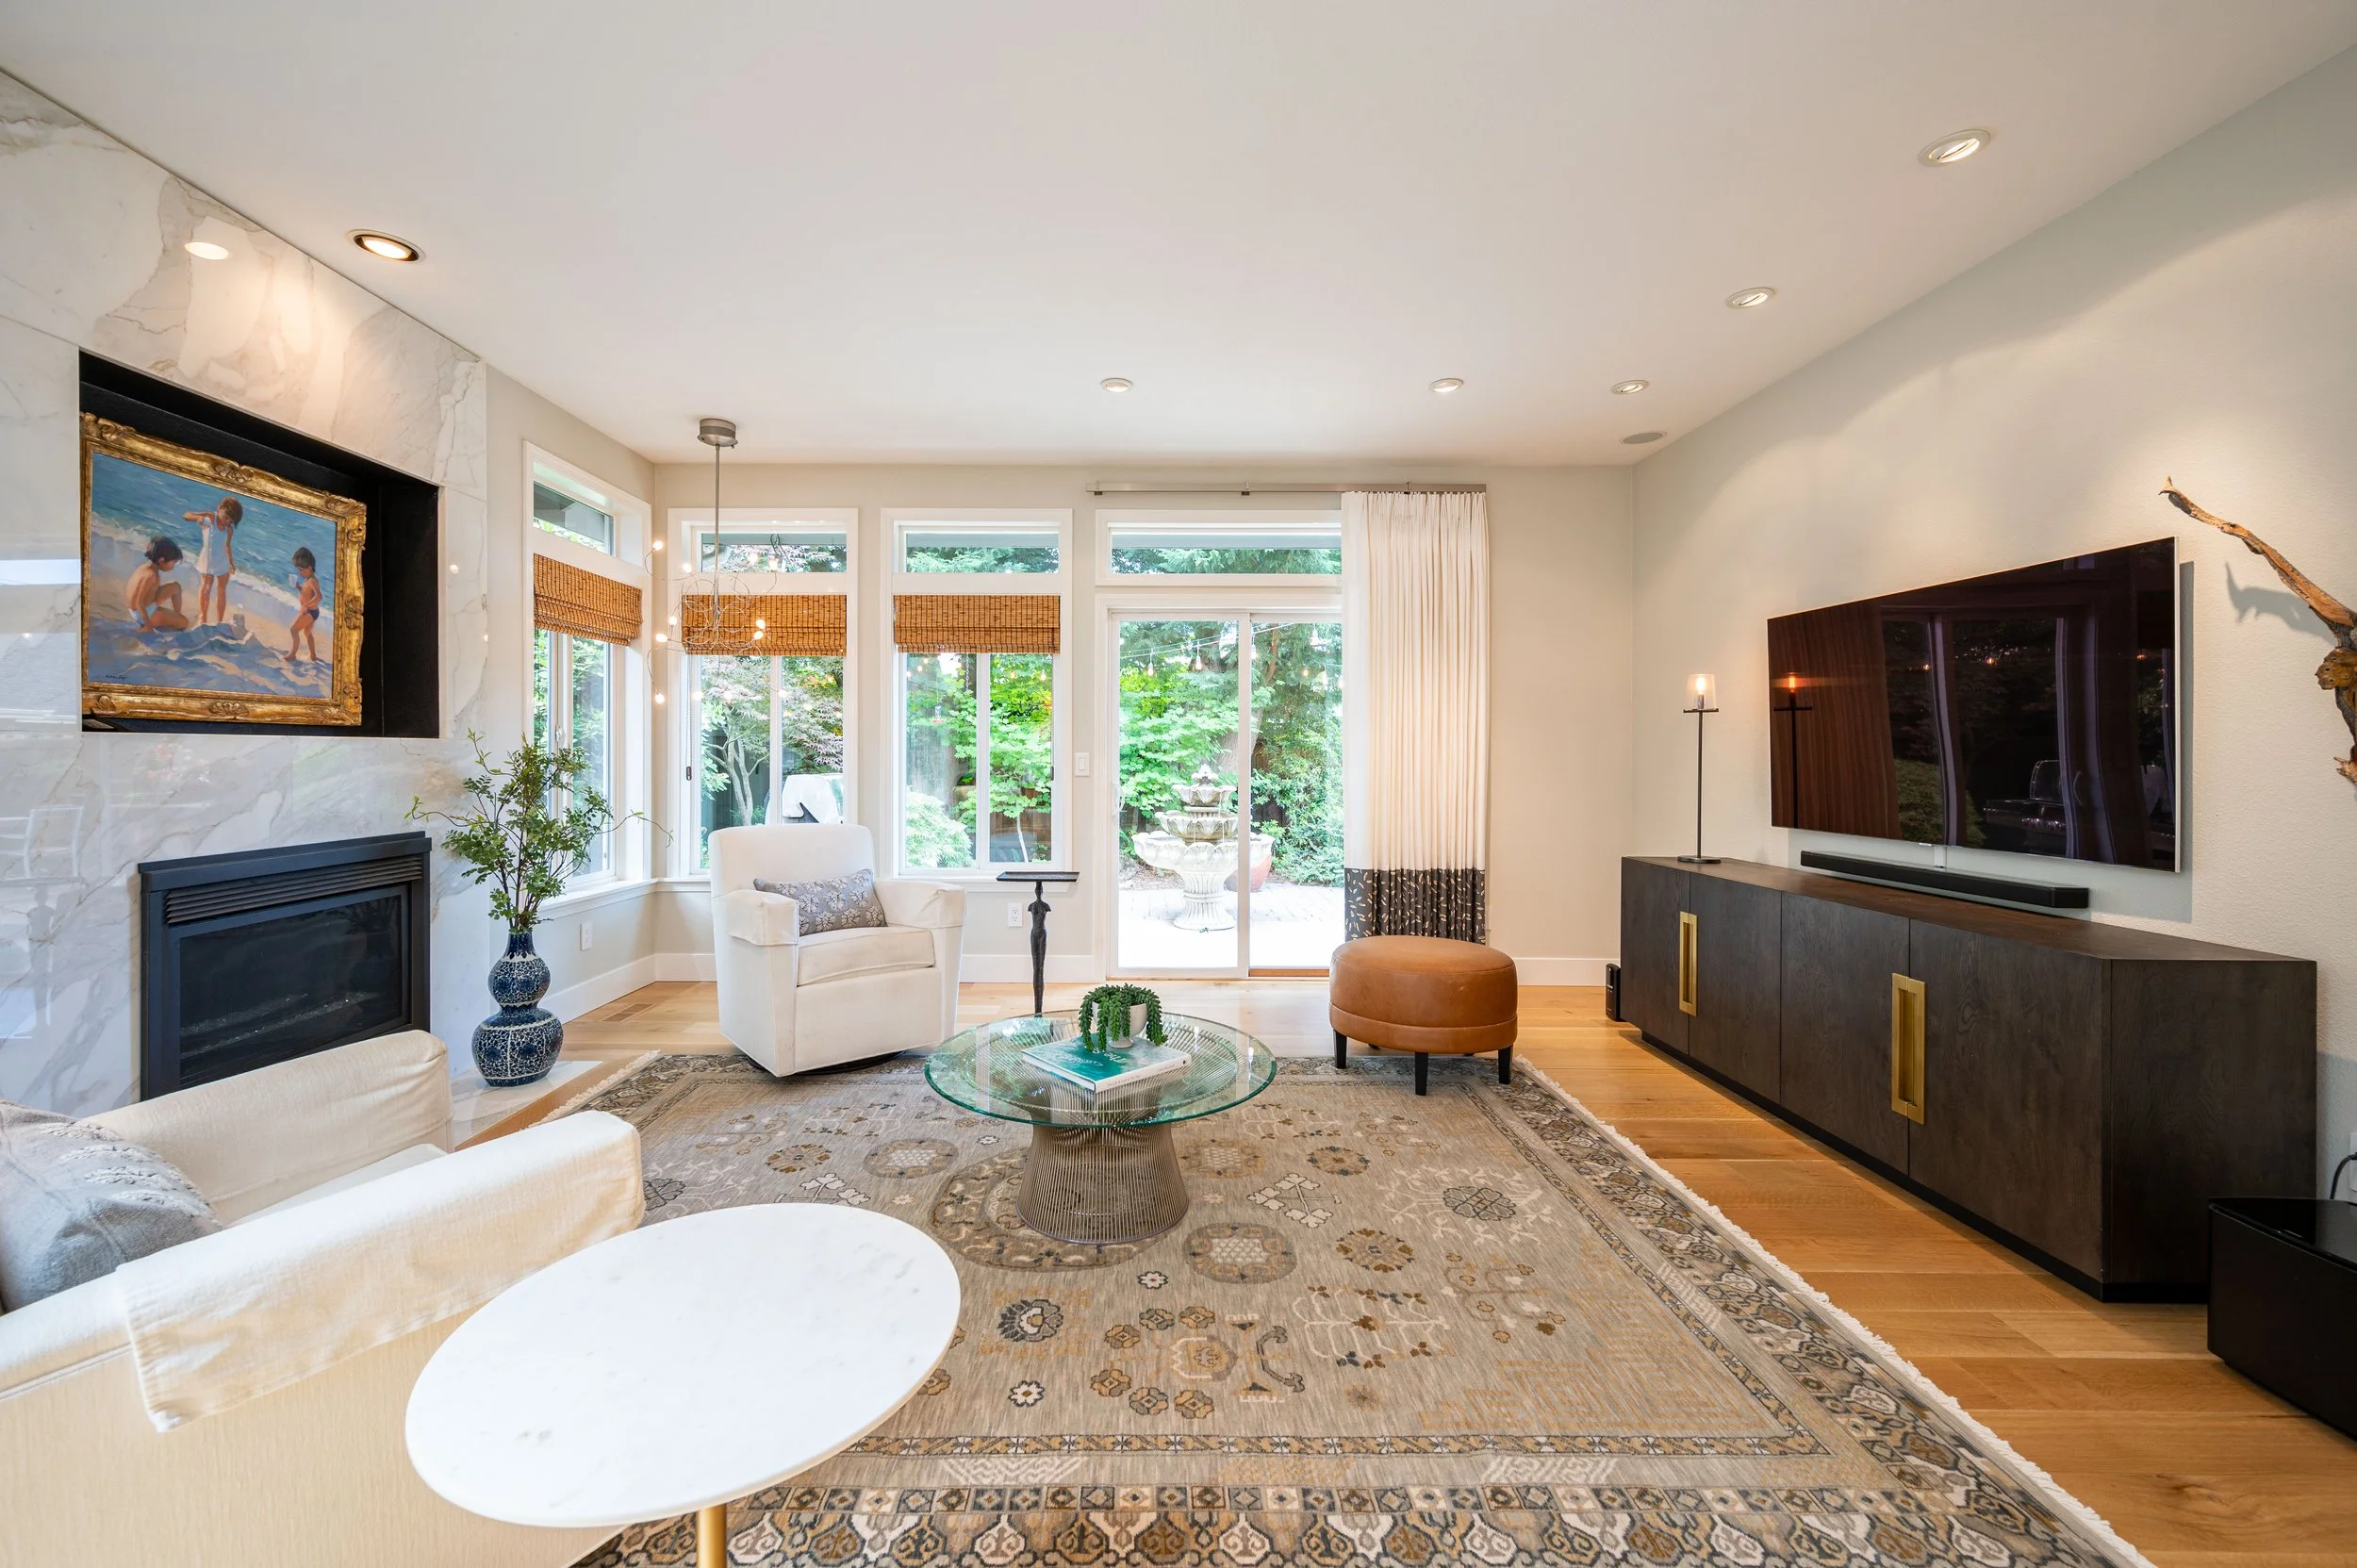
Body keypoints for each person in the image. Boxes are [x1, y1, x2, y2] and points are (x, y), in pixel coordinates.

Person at [185, 494, 242, 627]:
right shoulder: (210, 518)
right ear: (219, 508)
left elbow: (227, 546)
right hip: (208, 560)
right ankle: (203, 617)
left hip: (222, 561)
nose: (228, 521)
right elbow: (187, 515)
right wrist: (198, 518)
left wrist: (232, 564)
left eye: (231, 521)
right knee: (206, 588)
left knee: (221, 591)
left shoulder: (229, 530)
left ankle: (220, 621)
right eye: (226, 517)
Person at [124, 536, 189, 632]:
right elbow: (139, 603)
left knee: (176, 587)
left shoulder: (145, 568)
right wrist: (149, 627)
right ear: (162, 560)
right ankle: (170, 622)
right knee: (184, 623)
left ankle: (175, 617)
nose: (174, 565)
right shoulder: (151, 576)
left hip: (142, 608)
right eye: (173, 562)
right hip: (142, 614)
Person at [286, 547, 321, 664]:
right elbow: (307, 593)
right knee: (307, 633)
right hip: (313, 612)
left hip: (309, 612)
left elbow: (319, 597)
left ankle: (292, 655)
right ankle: (313, 655)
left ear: (309, 568)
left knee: (294, 630)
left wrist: (306, 605)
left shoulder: (312, 581)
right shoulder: (308, 579)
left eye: (301, 570)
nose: (300, 572)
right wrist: (298, 587)